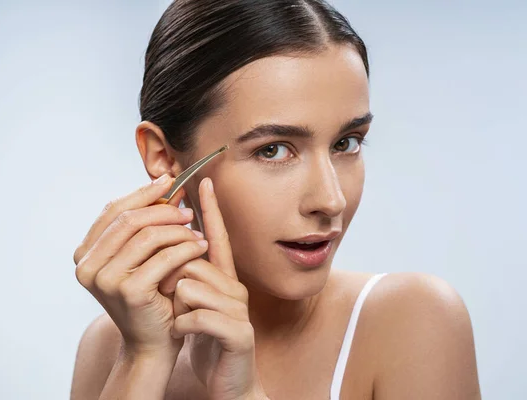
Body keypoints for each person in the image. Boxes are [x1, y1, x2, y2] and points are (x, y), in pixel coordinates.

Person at [69, 1, 481, 399]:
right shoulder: (108, 348)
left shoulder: (412, 323)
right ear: (164, 157)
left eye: (346, 143)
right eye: (274, 150)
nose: (331, 200)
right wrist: (143, 360)